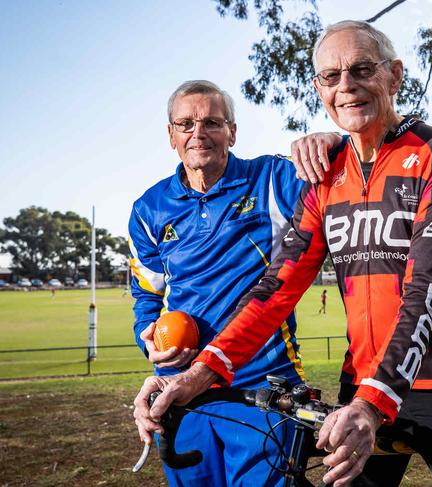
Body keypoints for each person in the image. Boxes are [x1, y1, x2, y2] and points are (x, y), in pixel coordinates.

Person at [134, 21, 432, 487]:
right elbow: (276, 289)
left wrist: (372, 404)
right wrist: (199, 373)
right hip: (366, 379)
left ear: (394, 76)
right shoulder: (326, 176)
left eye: (361, 70)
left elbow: (427, 289)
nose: (346, 86)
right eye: (331, 77)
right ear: (319, 89)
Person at [129, 80, 339, 486]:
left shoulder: (273, 179)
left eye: (211, 122)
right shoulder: (148, 209)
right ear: (171, 135)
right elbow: (146, 295)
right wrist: (148, 337)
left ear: (232, 131)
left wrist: (330, 140)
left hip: (264, 387)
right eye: (185, 124)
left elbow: (341, 168)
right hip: (183, 392)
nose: (198, 133)